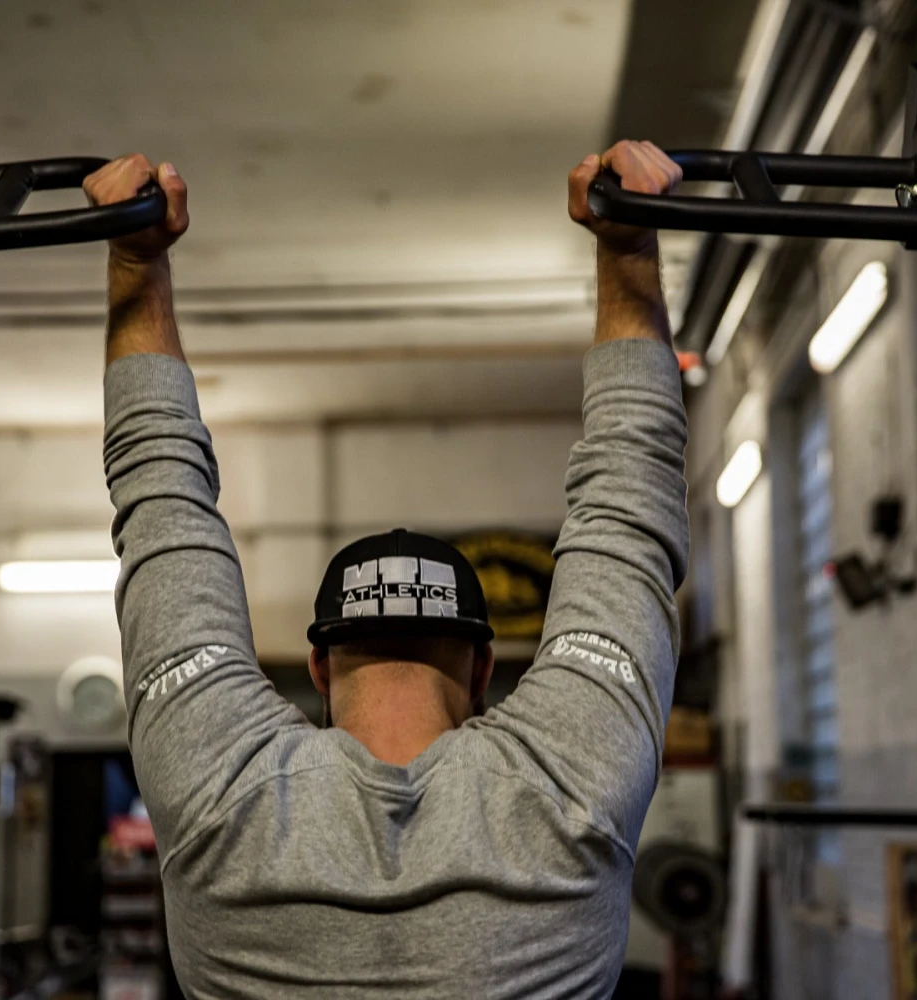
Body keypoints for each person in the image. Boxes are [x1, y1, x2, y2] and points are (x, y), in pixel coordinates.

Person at [88, 140, 689, 999]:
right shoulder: (567, 789)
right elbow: (631, 496)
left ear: (320, 667)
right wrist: (627, 249)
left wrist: (133, 259)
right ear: (481, 669)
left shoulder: (224, 794)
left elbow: (160, 499)